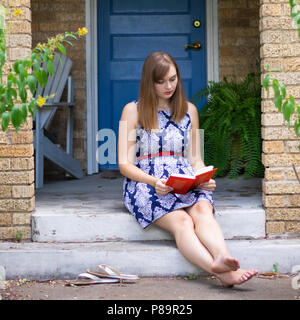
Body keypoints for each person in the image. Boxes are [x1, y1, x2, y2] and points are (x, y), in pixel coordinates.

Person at [118, 51, 258, 287]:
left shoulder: (189, 110)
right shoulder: (132, 110)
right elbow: (124, 163)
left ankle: (222, 256)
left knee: (203, 210)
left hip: (184, 180)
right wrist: (154, 182)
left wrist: (204, 177)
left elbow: (195, 159)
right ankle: (221, 272)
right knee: (182, 222)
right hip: (147, 183)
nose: (168, 86)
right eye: (161, 81)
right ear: (148, 82)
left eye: (172, 79)